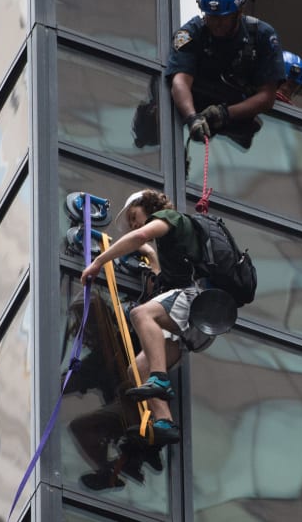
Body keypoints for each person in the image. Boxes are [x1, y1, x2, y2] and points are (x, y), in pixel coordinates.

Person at [80, 190, 211, 445]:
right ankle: (164, 422)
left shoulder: (169, 217)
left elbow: (140, 235)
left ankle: (160, 379)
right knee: (137, 369)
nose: (134, 224)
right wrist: (150, 255)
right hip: (192, 323)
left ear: (148, 206)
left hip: (195, 301)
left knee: (140, 314)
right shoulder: (167, 247)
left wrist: (99, 261)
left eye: (134, 216)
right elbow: (162, 279)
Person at [165, 0, 285, 149]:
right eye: (211, 17)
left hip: (234, 120)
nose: (216, 24)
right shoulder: (191, 33)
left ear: (239, 12)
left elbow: (267, 96)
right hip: (192, 110)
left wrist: (224, 114)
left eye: (223, 18)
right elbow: (180, 81)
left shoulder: (262, 36)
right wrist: (192, 118)